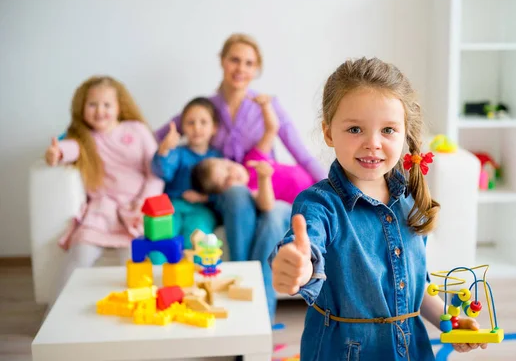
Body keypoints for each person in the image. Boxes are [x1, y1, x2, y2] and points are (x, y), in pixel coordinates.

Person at [270, 58, 487, 360]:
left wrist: (448, 323)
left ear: (404, 134)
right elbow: (306, 249)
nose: (373, 143)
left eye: (388, 130)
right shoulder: (319, 204)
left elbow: (414, 287)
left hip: (411, 350)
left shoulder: (409, 200)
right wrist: (299, 266)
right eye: (355, 129)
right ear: (329, 132)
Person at [155, 33, 326, 321]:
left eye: (249, 63)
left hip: (266, 191)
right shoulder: (205, 109)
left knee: (273, 218)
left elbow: (302, 155)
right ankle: (240, 290)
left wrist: (333, 187)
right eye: (234, 59)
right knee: (235, 193)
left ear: (256, 69)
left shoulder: (266, 105)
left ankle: (260, 318)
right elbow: (158, 139)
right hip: (226, 196)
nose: (241, 68)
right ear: (222, 61)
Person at [44, 76, 164, 302]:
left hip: (136, 211)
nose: (100, 111)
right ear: (82, 108)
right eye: (92, 104)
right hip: (101, 212)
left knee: (134, 262)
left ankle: (140, 311)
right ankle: (52, 315)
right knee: (79, 255)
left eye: (107, 105)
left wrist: (144, 203)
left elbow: (155, 172)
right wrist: (56, 153)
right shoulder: (83, 138)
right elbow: (69, 149)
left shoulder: (137, 130)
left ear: (119, 107)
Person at [191, 94, 315, 205]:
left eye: (228, 169)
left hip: (312, 182)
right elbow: (267, 205)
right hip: (305, 203)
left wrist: (265, 107)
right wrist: (263, 178)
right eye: (226, 181)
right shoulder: (249, 192)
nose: (233, 175)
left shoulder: (252, 160)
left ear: (229, 161)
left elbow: (272, 129)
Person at [150, 97, 222, 264]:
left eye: (203, 122)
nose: (197, 128)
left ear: (214, 128)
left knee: (197, 240)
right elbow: (162, 171)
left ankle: (198, 283)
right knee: (161, 239)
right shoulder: (177, 153)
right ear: (183, 127)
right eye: (191, 123)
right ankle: (157, 278)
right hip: (173, 206)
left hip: (201, 210)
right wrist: (164, 149)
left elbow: (223, 190)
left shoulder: (217, 157)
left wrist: (205, 198)